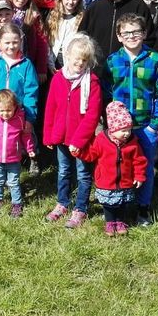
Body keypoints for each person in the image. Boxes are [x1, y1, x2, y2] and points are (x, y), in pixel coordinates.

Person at [107, 13, 158, 226]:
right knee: (121, 165)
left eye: (136, 32)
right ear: (119, 36)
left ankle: (144, 208)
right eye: (127, 32)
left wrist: (154, 125)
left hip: (145, 125)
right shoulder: (113, 60)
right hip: (119, 127)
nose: (132, 36)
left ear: (143, 34)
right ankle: (121, 206)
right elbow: (108, 92)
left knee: (146, 167)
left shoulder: (154, 59)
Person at [43, 34, 102, 228]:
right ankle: (62, 203)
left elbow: (92, 115)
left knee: (83, 174)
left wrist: (79, 140)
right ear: (67, 56)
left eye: (84, 60)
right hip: (61, 136)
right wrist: (49, 135)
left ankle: (80, 208)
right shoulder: (58, 78)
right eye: (76, 58)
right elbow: (51, 107)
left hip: (81, 140)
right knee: (63, 171)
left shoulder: (91, 82)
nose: (79, 63)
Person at [74, 101, 147, 237]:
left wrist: (139, 176)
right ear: (113, 128)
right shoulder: (102, 139)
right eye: (123, 130)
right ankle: (109, 222)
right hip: (106, 182)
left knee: (122, 204)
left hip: (125, 182)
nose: (127, 133)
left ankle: (120, 221)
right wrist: (78, 152)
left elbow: (139, 160)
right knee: (108, 205)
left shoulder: (132, 142)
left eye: (129, 129)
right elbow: (91, 155)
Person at [78, 0, 156, 77]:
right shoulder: (95, 7)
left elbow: (149, 38)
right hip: (97, 70)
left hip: (128, 70)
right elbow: (82, 36)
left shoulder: (138, 6)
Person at [0, 89, 36, 219]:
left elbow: (26, 136)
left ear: (15, 107)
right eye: (2, 111)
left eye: (9, 110)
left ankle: (17, 203)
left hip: (13, 158)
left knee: (13, 182)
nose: (5, 114)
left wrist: (30, 148)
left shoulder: (20, 119)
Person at [0, 23, 39, 138]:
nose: (11, 46)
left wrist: (29, 119)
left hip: (18, 116)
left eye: (15, 42)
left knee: (19, 148)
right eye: (7, 43)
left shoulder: (26, 65)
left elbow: (31, 93)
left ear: (20, 42)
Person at [45, 0, 85, 72]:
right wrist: (49, 62)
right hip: (52, 59)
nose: (70, 2)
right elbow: (47, 40)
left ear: (79, 0)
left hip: (71, 62)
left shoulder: (82, 18)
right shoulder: (53, 15)